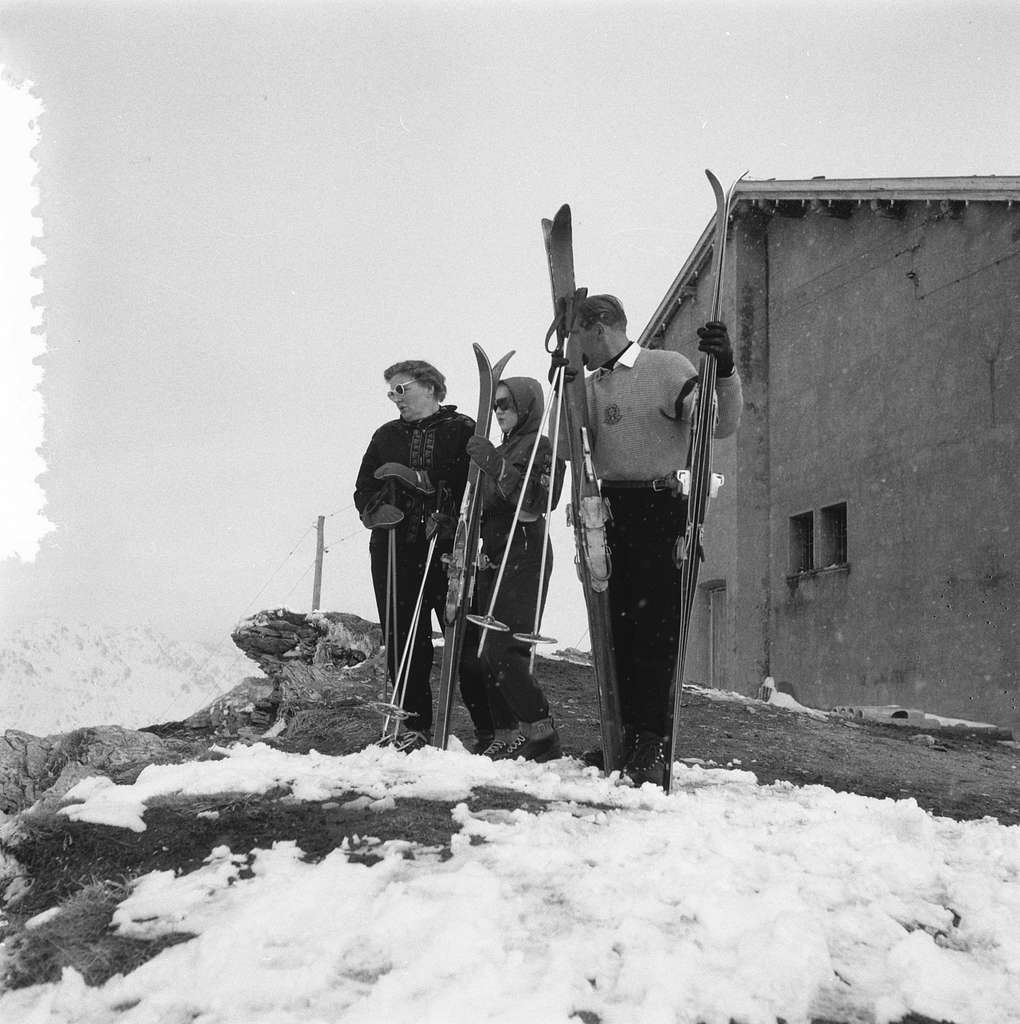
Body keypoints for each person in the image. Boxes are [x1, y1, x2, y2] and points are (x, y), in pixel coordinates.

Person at [551, 294, 742, 786]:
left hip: (661, 510)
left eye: (574, 338)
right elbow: (566, 447)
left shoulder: (663, 367)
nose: (575, 348)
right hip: (610, 513)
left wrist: (723, 372)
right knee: (617, 632)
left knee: (656, 630)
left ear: (596, 329)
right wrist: (565, 382)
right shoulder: (590, 385)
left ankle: (653, 741)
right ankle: (626, 734)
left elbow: (717, 424)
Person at [354, 360, 494, 752]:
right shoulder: (385, 436)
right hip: (396, 549)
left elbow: (477, 484)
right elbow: (363, 488)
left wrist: (449, 511)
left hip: (448, 547)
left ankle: (490, 727)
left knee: (465, 636)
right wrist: (377, 512)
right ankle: (413, 725)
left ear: (430, 387)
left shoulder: (462, 429)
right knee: (403, 635)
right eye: (391, 392)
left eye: (403, 389)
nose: (396, 399)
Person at [459, 377, 566, 762]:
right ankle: (507, 732)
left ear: (526, 405)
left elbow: (535, 502)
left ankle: (541, 729)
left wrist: (493, 462)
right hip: (493, 551)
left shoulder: (542, 447)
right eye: (495, 405)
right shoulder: (504, 447)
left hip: (524, 551)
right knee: (483, 649)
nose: (499, 411)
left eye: (506, 403)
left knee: (503, 647)